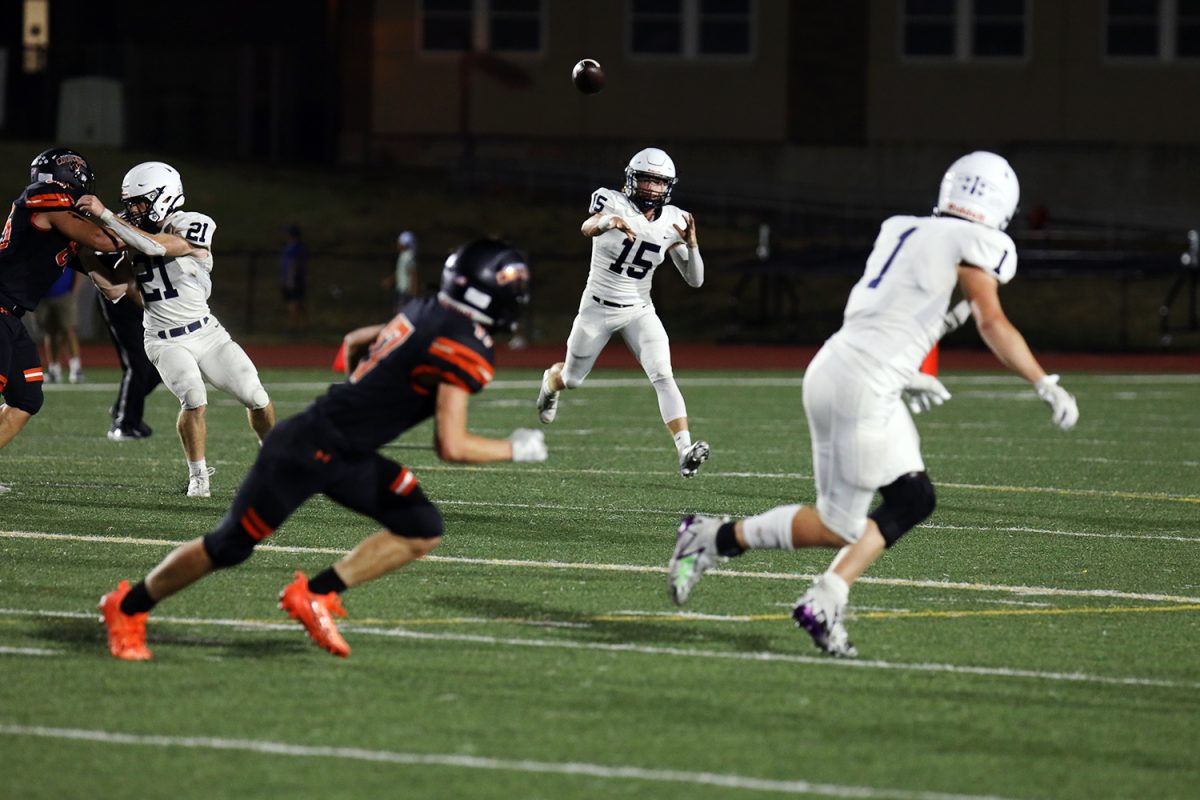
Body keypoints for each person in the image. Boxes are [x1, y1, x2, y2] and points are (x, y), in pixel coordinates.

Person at [666, 151, 1080, 657]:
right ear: (997, 206)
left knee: (914, 499)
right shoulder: (977, 241)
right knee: (837, 525)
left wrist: (911, 371)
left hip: (854, 370)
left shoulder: (903, 228)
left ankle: (825, 598)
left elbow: (908, 305)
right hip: (858, 383)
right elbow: (989, 319)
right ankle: (710, 538)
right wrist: (1042, 380)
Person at [98, 238, 547, 661]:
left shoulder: (427, 309)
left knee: (421, 525)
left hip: (345, 451)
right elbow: (451, 445)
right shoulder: (461, 344)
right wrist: (515, 448)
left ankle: (315, 594)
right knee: (229, 546)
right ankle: (128, 606)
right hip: (307, 450)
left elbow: (354, 340)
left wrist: (358, 399)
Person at [76, 161, 276, 497]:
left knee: (256, 396)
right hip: (164, 340)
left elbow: (156, 246)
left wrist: (106, 215)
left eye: (140, 201)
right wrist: (85, 258)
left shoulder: (193, 223)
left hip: (207, 333)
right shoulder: (131, 233)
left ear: (164, 197)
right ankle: (199, 477)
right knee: (194, 399)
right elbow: (115, 290)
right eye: (131, 204)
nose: (134, 210)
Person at [536, 147, 710, 478]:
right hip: (597, 309)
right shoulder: (611, 201)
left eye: (658, 183)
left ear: (668, 187)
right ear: (632, 179)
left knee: (663, 375)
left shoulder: (676, 219)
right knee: (571, 379)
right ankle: (550, 383)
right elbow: (586, 227)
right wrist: (606, 222)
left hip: (639, 310)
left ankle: (685, 449)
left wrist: (692, 245)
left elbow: (695, 279)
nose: (651, 189)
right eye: (645, 180)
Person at [0, 148, 128, 484]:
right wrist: (124, 225)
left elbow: (102, 271)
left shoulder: (58, 228)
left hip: (11, 317)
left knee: (26, 399)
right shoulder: (45, 200)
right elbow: (105, 239)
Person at [92, 251, 161, 440]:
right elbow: (127, 285)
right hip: (122, 295)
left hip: (143, 296)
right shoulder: (123, 231)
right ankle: (124, 423)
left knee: (160, 364)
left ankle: (123, 408)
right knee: (138, 361)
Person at [34, 266, 86, 383]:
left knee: (69, 330)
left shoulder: (64, 248)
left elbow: (79, 268)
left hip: (64, 294)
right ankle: (54, 370)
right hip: (43, 296)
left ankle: (76, 368)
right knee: (50, 333)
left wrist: (74, 290)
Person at [279, 224, 308, 331]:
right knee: (298, 303)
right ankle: (301, 325)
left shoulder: (293, 248)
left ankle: (294, 326)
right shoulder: (299, 247)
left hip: (294, 280)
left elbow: (293, 265)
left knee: (294, 303)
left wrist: (290, 280)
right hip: (297, 279)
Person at [389, 230, 417, 313]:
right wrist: (391, 280)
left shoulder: (409, 257)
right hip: (400, 289)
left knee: (403, 312)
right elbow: (400, 271)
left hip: (405, 291)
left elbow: (413, 274)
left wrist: (413, 292)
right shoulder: (402, 256)